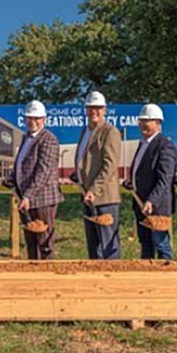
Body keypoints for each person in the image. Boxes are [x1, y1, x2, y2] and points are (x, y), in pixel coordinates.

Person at [6, 100, 64, 259]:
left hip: (42, 199)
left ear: (44, 119)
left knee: (44, 242)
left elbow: (43, 172)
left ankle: (48, 277)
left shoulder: (48, 139)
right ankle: (32, 275)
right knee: (31, 242)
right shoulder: (26, 138)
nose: (33, 121)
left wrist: (28, 196)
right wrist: (11, 178)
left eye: (37, 118)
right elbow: (21, 163)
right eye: (30, 118)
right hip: (26, 197)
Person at [75, 91, 122, 259]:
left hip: (104, 198)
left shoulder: (110, 132)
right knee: (93, 247)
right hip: (87, 196)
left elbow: (110, 165)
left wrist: (94, 189)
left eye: (98, 108)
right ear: (86, 110)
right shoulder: (85, 131)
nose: (94, 111)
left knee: (109, 246)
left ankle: (114, 279)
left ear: (105, 110)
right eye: (91, 108)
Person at [129, 103, 177, 259]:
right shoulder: (143, 143)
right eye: (141, 120)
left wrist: (151, 201)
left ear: (158, 123)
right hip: (141, 204)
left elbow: (165, 179)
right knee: (146, 245)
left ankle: (166, 277)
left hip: (157, 207)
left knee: (161, 245)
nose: (143, 124)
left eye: (147, 121)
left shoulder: (165, 146)